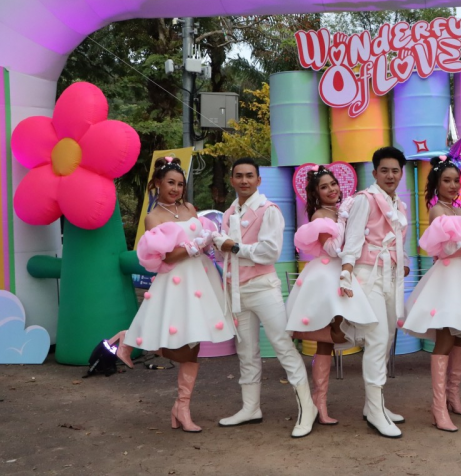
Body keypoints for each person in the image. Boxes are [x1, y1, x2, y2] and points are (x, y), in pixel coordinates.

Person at [110, 156, 235, 433]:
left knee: (194, 344)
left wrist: (208, 243)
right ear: (158, 183)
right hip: (175, 281)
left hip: (200, 278)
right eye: (170, 183)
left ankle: (182, 407)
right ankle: (129, 339)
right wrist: (193, 247)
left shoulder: (189, 208)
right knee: (183, 344)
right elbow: (165, 255)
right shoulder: (153, 217)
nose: (176, 189)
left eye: (180, 184)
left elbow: (202, 240)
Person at [212, 158, 316, 438]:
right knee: (246, 350)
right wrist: (216, 245)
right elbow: (225, 253)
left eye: (250, 176)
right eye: (239, 176)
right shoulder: (229, 212)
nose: (244, 180)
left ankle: (308, 407)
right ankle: (250, 408)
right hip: (236, 289)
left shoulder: (269, 210)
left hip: (262, 287)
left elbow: (270, 252)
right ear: (232, 180)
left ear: (259, 180)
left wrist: (233, 247)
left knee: (283, 345)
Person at [403, 156, 461, 432]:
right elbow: (443, 249)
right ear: (437, 183)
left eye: (456, 180)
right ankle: (438, 407)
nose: (453, 185)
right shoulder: (437, 211)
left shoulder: (460, 209)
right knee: (445, 338)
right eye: (447, 181)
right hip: (447, 277)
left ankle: (453, 396)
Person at [285, 166, 378, 425]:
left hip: (346, 274)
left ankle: (322, 402)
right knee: (326, 339)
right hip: (327, 277)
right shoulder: (321, 215)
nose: (331, 190)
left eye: (333, 184)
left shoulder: (341, 210)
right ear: (316, 193)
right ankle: (320, 403)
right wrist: (345, 221)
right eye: (324, 187)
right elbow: (334, 249)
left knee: (335, 336)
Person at [340, 147, 411, 438]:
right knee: (378, 339)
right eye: (385, 170)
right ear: (374, 173)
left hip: (390, 275)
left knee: (388, 338)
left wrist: (403, 262)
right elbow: (353, 239)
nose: (390, 175)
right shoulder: (364, 199)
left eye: (395, 171)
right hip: (367, 275)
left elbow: (398, 243)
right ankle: (375, 412)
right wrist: (346, 273)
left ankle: (375, 405)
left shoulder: (399, 204)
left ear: (401, 173)